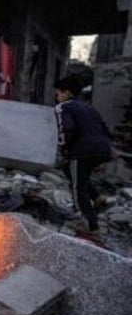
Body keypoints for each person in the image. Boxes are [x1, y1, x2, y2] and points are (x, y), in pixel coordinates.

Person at [53, 75, 114, 232]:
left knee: (77, 186)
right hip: (102, 149)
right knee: (72, 171)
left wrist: (63, 148)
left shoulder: (63, 107)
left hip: (82, 151)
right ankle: (97, 198)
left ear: (66, 93)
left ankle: (87, 222)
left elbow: (66, 130)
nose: (57, 97)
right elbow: (106, 130)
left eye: (58, 93)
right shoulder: (89, 108)